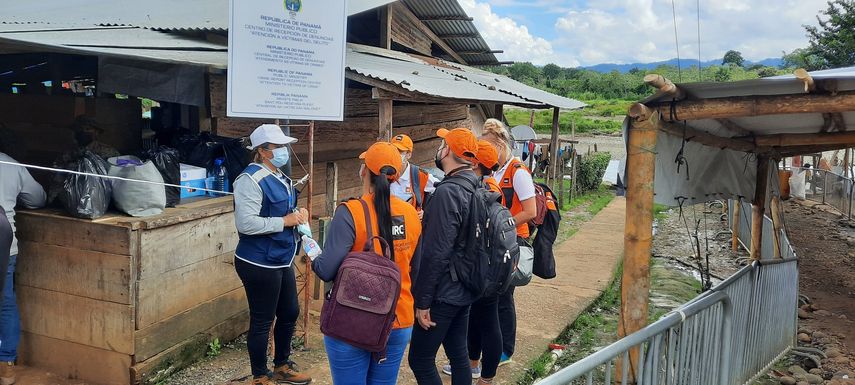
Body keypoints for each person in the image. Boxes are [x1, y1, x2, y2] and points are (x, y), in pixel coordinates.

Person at [312, 141, 423, 385]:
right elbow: (418, 268)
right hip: (397, 317)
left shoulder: (350, 212)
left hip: (352, 318)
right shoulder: (411, 215)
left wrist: (313, 258)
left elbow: (326, 269)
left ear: (364, 171)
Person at [232, 124, 312, 385]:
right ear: (263, 151)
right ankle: (259, 375)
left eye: (284, 145)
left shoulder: (278, 175)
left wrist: (298, 216)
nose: (284, 150)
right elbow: (246, 224)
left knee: (289, 311)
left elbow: (283, 210)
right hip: (257, 261)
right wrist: (286, 221)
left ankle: (281, 365)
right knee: (263, 319)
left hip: (281, 257)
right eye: (278, 147)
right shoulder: (249, 180)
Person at [408, 128, 480, 385]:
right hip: (465, 285)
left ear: (447, 150)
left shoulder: (448, 193)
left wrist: (423, 301)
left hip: (443, 291)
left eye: (441, 143)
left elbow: (436, 252)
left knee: (420, 359)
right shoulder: (475, 185)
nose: (439, 148)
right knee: (458, 353)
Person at [441, 139, 504, 384]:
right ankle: (475, 366)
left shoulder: (480, 190)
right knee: (483, 320)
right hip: (492, 264)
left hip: (482, 267)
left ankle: (486, 376)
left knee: (488, 322)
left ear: (476, 162)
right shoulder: (491, 186)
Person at [481, 118, 537, 366]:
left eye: (491, 149)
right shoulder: (495, 170)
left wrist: (504, 225)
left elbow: (530, 210)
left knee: (504, 295)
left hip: (514, 239)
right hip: (496, 240)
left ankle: (506, 349)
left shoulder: (518, 172)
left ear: (501, 146)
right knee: (493, 294)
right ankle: (493, 345)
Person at [0, 151, 47, 385]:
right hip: (4, 246)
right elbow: (37, 198)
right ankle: (6, 368)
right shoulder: (10, 164)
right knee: (6, 303)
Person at [389, 134, 439, 218]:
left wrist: (427, 212)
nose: (396, 154)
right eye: (394, 150)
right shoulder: (385, 174)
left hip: (412, 226)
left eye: (400, 151)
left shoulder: (419, 175)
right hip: (388, 225)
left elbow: (442, 190)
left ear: (409, 154)